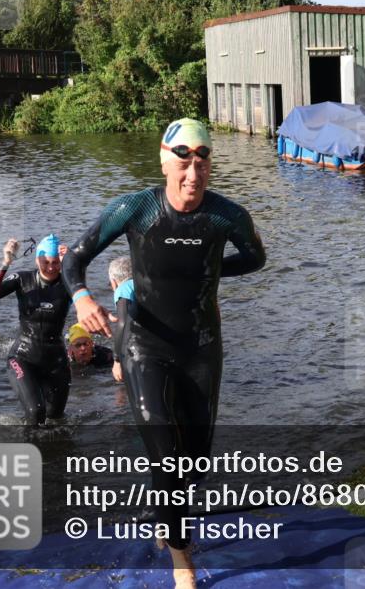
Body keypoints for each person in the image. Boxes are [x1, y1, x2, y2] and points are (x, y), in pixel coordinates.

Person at [62, 118, 266, 588]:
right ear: (163, 157)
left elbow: (256, 258)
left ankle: (167, 513)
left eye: (202, 158)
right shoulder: (137, 208)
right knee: (166, 455)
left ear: (210, 163)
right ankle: (182, 560)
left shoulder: (226, 216)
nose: (192, 171)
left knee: (194, 459)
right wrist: (82, 297)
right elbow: (75, 257)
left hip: (201, 347)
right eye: (182, 157)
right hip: (142, 346)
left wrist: (210, 275)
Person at [0, 234, 71, 425]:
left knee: (56, 418)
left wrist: (72, 264)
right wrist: (6, 262)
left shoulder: (68, 283)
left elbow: (83, 291)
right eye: (46, 262)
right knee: (36, 412)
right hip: (24, 357)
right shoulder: (23, 279)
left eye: (56, 263)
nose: (51, 267)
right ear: (37, 258)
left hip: (56, 359)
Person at [107, 256, 135, 383]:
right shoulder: (145, 283)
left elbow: (123, 324)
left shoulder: (124, 289)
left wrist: (117, 360)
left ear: (114, 281)